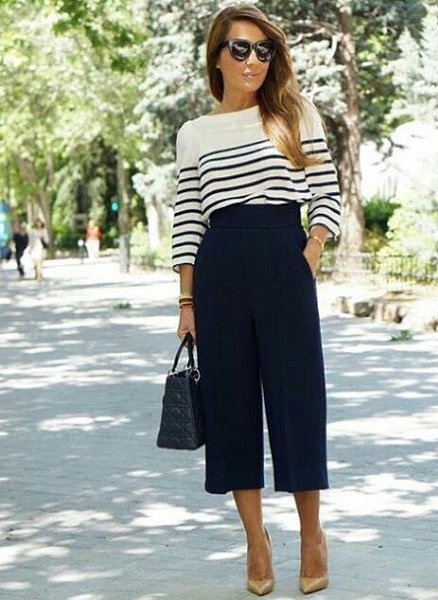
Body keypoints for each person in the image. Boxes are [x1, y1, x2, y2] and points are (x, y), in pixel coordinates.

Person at [171, 4, 342, 596]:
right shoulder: (194, 133)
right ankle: (255, 539)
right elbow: (188, 218)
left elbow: (325, 189)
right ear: (217, 57)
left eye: (263, 50)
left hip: (282, 257)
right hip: (219, 269)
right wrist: (186, 301)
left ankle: (312, 534)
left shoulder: (294, 112)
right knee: (231, 406)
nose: (253, 60)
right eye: (240, 49)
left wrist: (311, 250)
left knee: (298, 401)